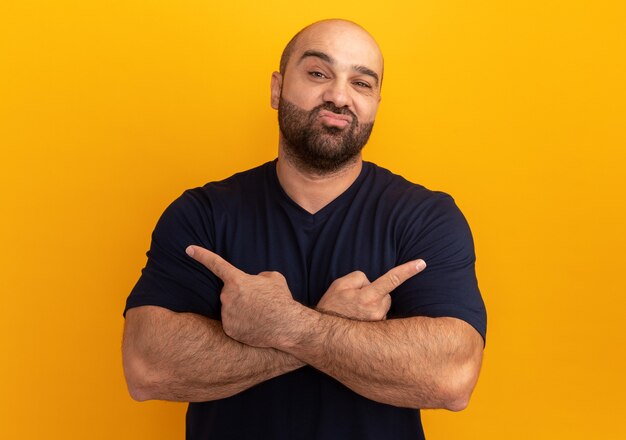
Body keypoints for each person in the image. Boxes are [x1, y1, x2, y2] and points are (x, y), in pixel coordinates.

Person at [122, 18, 487, 440]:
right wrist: (332, 327)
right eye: (318, 73)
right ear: (277, 88)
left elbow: (451, 377)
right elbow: (147, 366)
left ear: (376, 103)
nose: (338, 96)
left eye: (362, 83)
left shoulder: (426, 217)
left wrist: (288, 325)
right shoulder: (202, 213)